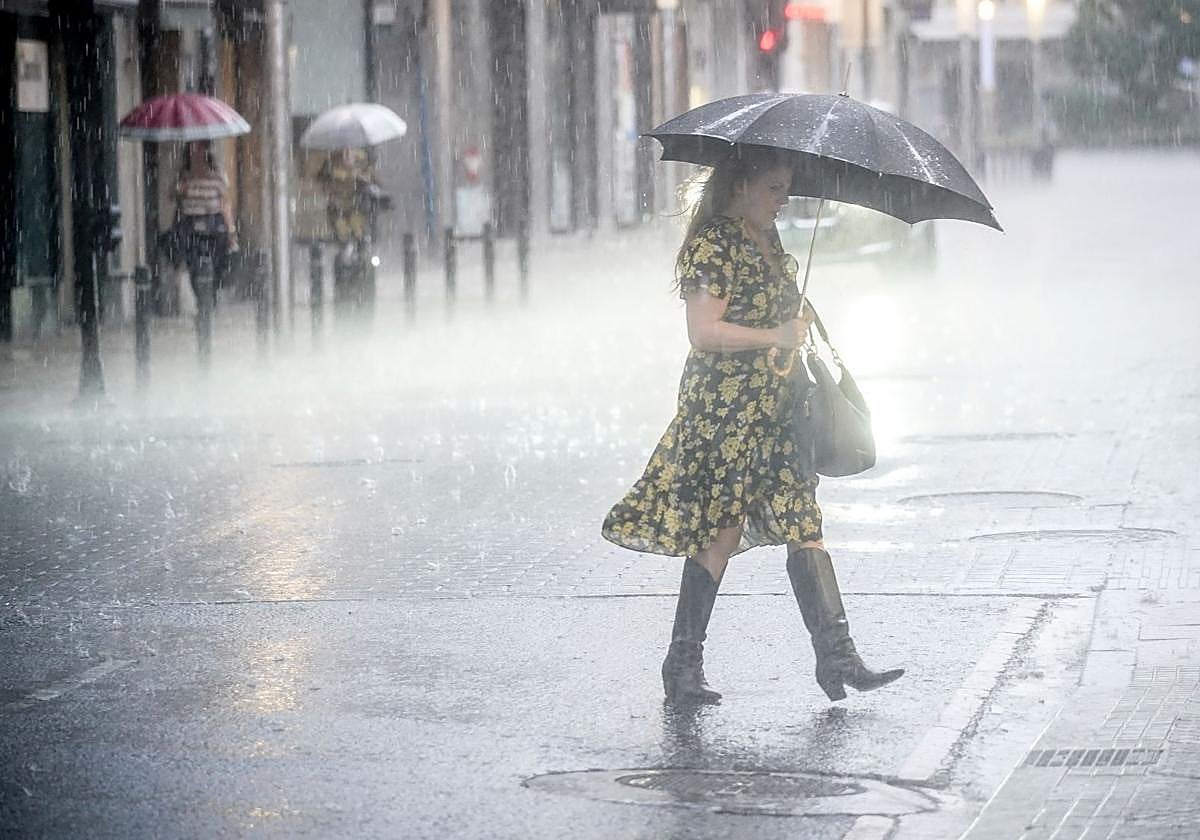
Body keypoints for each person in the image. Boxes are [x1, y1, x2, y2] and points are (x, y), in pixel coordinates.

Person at [601, 146, 903, 705]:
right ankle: (682, 665)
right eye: (773, 188)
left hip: (779, 410)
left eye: (786, 189)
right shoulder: (714, 244)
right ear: (739, 186)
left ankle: (837, 657)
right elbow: (704, 332)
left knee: (803, 523)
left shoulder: (770, 240)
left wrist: (795, 321)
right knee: (721, 533)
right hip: (726, 412)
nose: (783, 199)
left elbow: (768, 315)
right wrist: (773, 336)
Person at [173, 141, 237, 308]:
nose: (197, 154)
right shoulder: (184, 175)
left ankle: (211, 296)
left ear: (206, 152)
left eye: (200, 149)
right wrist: (181, 188)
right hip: (191, 223)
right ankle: (202, 301)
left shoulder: (217, 175)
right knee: (194, 265)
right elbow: (172, 195)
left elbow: (225, 203)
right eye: (193, 150)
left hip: (213, 223)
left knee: (215, 263)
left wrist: (231, 230)